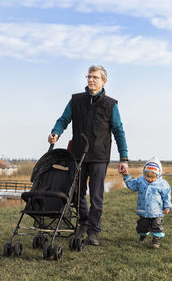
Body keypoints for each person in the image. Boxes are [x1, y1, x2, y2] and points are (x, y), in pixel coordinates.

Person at [48, 65, 129, 246]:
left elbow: (118, 131)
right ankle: (83, 225)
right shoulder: (76, 100)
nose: (91, 80)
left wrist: (124, 158)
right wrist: (56, 133)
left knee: (96, 195)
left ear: (104, 81)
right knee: (78, 194)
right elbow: (63, 120)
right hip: (77, 154)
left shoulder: (111, 104)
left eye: (95, 77)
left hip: (99, 156)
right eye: (89, 77)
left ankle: (94, 232)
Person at [123, 156, 172, 248]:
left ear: (158, 175)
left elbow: (166, 196)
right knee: (142, 225)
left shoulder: (162, 184)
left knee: (156, 225)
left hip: (157, 211)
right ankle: (143, 235)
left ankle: (156, 240)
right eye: (147, 176)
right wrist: (126, 176)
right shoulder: (141, 181)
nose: (149, 179)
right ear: (144, 173)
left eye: (152, 177)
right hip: (143, 210)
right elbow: (133, 185)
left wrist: (167, 206)